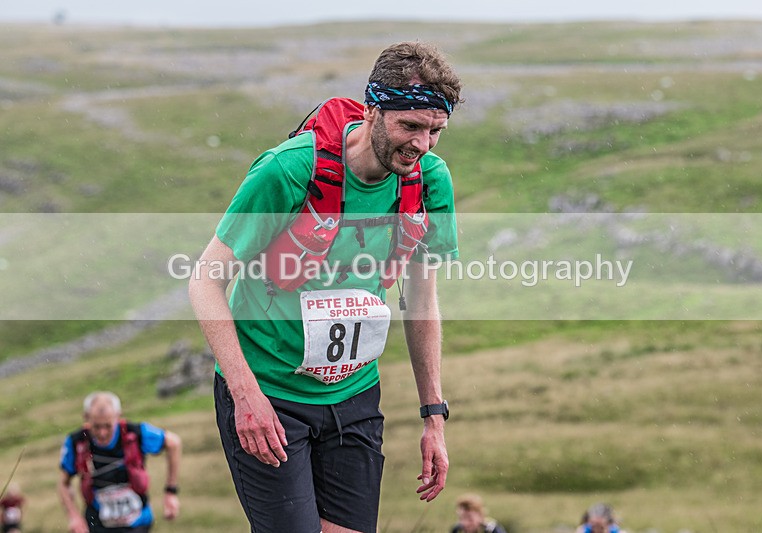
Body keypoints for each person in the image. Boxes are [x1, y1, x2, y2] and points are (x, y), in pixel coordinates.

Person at [188, 41, 462, 533]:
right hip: (269, 392)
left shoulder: (430, 182)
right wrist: (245, 396)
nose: (421, 145)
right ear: (373, 110)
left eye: (435, 131)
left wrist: (433, 417)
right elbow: (205, 280)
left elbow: (421, 302)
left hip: (354, 396)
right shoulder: (289, 170)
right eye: (410, 126)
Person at [57, 391, 182, 533]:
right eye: (96, 426)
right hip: (97, 524)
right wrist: (74, 516)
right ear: (86, 417)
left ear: (118, 416)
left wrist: (171, 492)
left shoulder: (135, 433)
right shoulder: (76, 442)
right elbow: (63, 483)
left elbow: (173, 443)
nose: (102, 433)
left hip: (138, 523)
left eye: (108, 426)